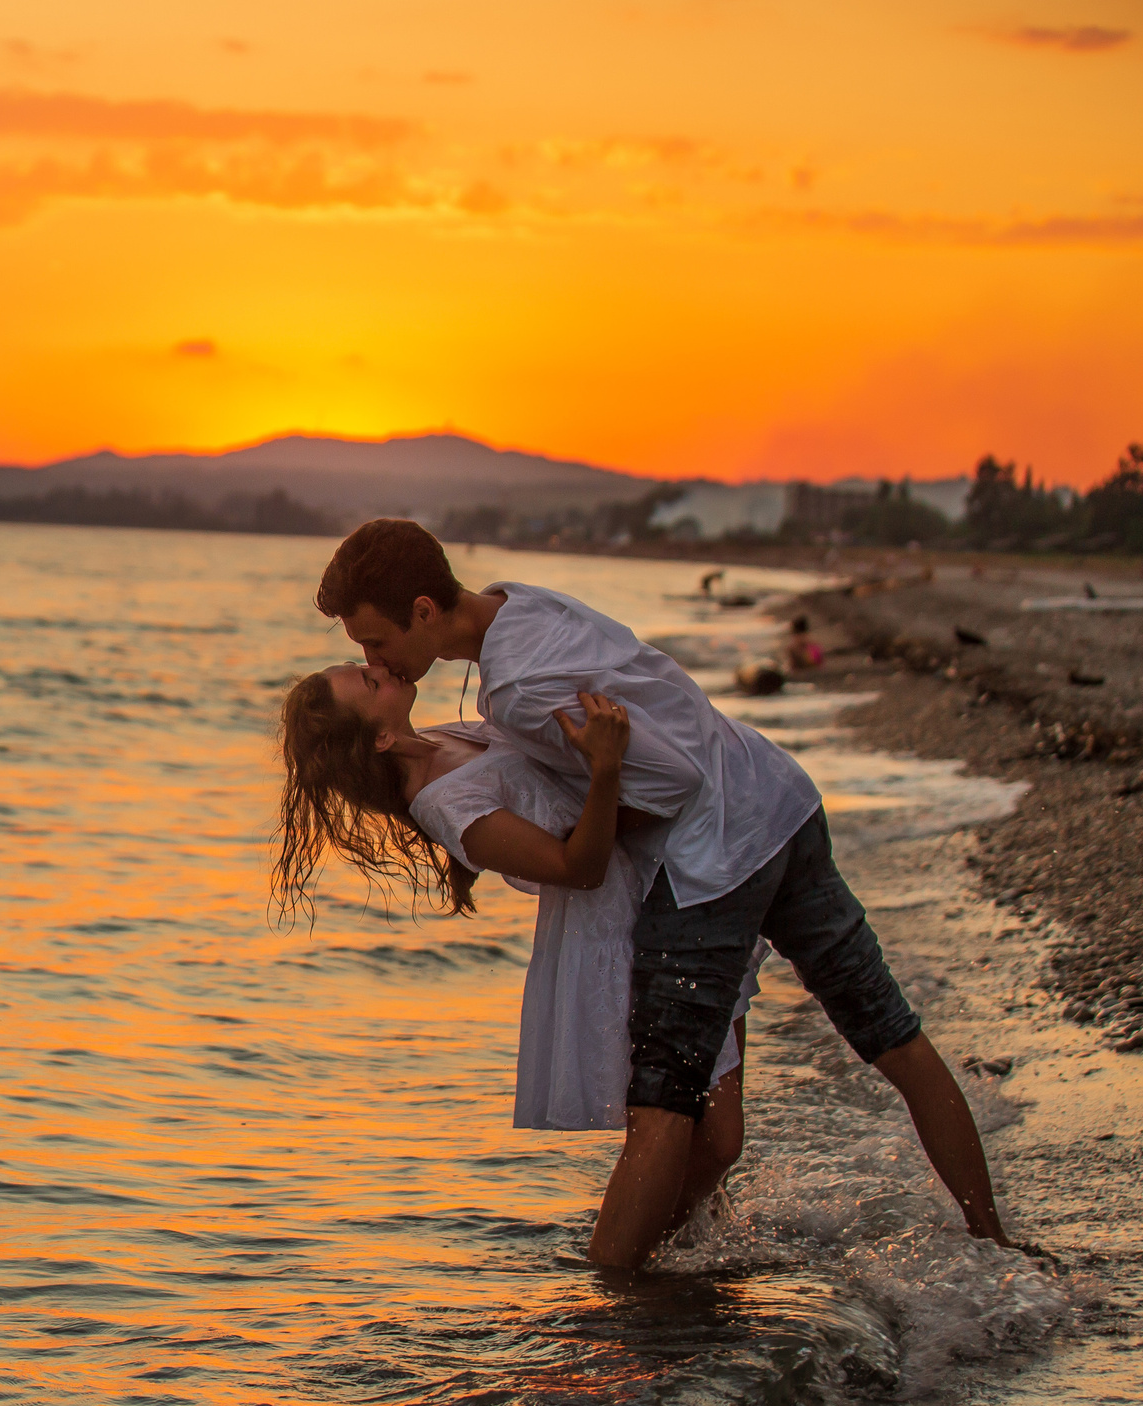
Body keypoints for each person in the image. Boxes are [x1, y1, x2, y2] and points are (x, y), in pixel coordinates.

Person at [313, 518, 1021, 1268]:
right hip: (777, 797)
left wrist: (597, 813)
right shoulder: (523, 603)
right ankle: (998, 1247)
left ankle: (610, 1317)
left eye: (374, 643)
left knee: (661, 1109)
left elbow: (671, 781)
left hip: (712, 861)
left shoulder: (517, 689)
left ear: (424, 610)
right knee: (892, 1037)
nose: (372, 658)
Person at [273, 665, 757, 1248]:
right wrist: (606, 768)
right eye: (369, 685)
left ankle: (697, 1256)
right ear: (379, 739)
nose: (380, 670)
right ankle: (626, 1283)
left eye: (366, 665)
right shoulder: (442, 801)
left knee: (709, 1132)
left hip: (675, 874)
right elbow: (577, 869)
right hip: (623, 926)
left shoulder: (444, 738)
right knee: (712, 1134)